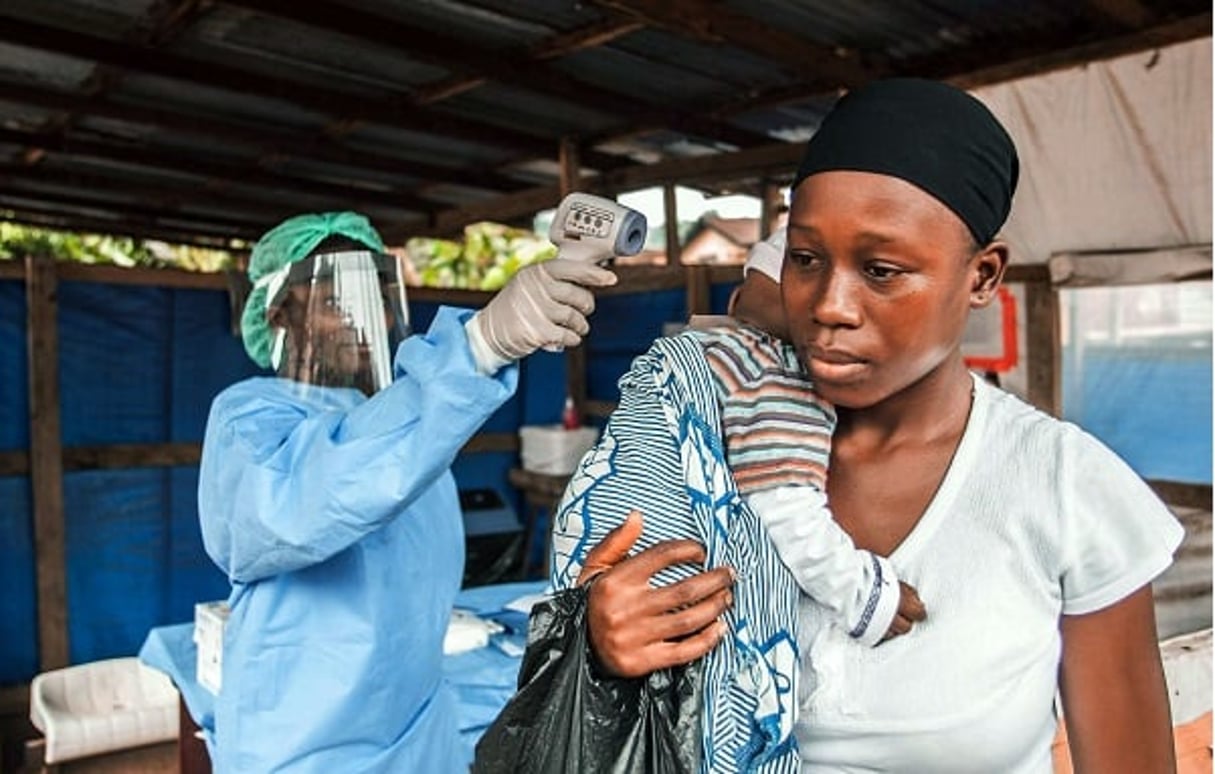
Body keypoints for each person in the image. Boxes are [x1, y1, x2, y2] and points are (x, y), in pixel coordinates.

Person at [556, 78, 1185, 773]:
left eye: (880, 270)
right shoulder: (701, 442)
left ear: (981, 276)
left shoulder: (1063, 486)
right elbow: (601, 689)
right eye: (805, 259)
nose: (829, 304)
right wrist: (601, 645)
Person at [197, 211, 617, 772]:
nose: (355, 317)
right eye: (331, 300)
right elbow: (309, 497)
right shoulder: (251, 418)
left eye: (370, 295)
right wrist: (477, 349)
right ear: (279, 315)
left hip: (418, 739)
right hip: (306, 747)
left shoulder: (407, 424)